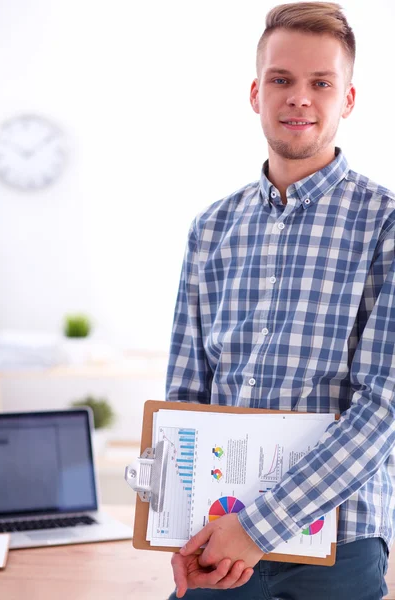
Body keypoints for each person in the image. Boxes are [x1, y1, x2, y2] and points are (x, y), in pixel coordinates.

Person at [165, 3, 395, 599]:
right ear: (255, 92)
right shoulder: (210, 228)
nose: (300, 97)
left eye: (321, 83)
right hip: (216, 535)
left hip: (339, 540)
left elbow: (384, 407)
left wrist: (257, 527)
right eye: (281, 79)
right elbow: (187, 391)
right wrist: (176, 528)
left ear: (347, 99)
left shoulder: (386, 225)